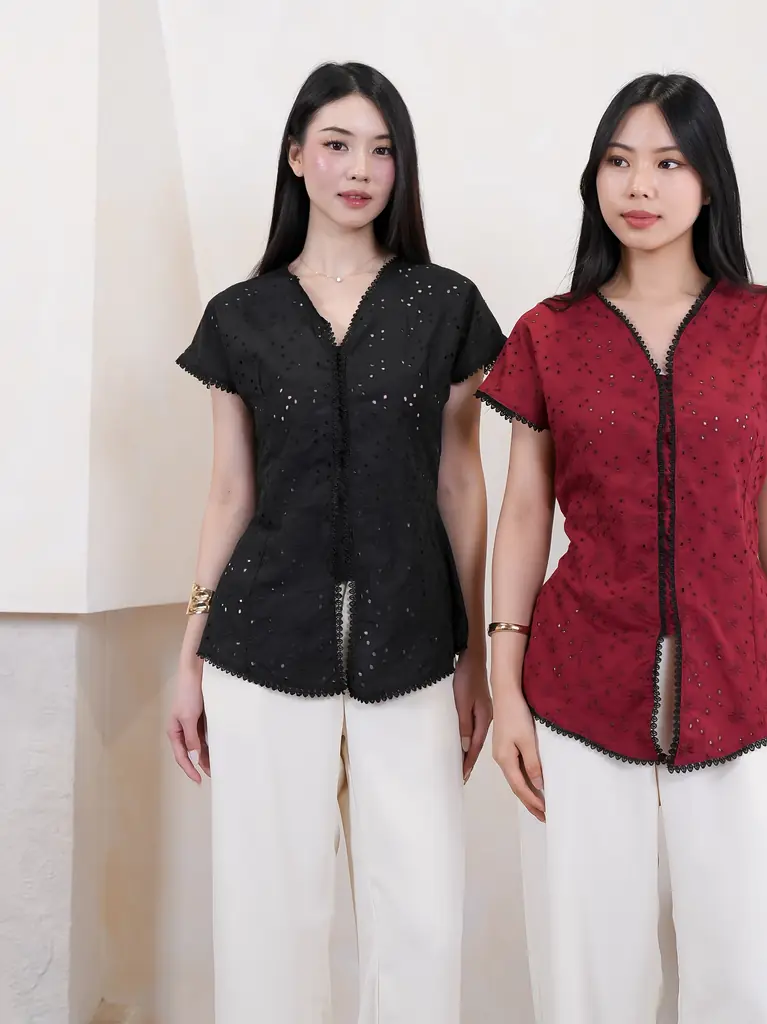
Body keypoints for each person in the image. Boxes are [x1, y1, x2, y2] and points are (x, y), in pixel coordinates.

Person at [479, 72, 767, 1024]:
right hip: (576, 690)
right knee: (590, 977)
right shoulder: (548, 334)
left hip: (747, 687)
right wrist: (506, 687)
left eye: (668, 163)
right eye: (619, 161)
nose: (639, 185)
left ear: (709, 181)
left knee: (743, 975)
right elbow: (523, 515)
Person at [166, 61, 504, 1024]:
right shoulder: (242, 315)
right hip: (261, 647)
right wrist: (188, 655)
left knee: (420, 922)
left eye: (382, 150)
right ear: (296, 156)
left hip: (414, 647)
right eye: (338, 144)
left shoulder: (445, 305)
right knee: (269, 923)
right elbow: (229, 492)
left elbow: (460, 483)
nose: (360, 169)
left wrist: (476, 656)